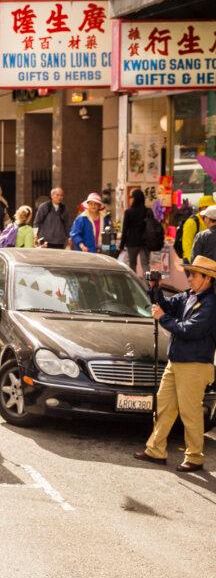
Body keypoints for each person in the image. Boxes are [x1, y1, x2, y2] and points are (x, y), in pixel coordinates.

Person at [135, 255, 216, 472]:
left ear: (207, 278)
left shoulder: (211, 305)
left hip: (195, 365)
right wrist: (156, 288)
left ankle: (195, 457)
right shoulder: (189, 295)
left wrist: (163, 318)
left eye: (193, 275)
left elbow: (190, 330)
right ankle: (155, 449)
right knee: (164, 406)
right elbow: (166, 305)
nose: (189, 278)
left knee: (189, 412)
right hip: (177, 361)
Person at [119, 189, 153, 274]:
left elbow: (125, 230)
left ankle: (134, 285)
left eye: (132, 197)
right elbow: (152, 227)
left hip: (132, 242)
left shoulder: (128, 212)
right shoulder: (148, 211)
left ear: (134, 199)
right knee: (145, 265)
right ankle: (148, 285)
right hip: (145, 243)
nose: (130, 199)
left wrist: (121, 245)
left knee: (132, 264)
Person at [180, 197, 215, 262]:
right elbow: (187, 245)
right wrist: (193, 265)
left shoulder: (210, 220)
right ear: (201, 208)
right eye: (208, 207)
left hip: (207, 262)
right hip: (193, 261)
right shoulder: (192, 222)